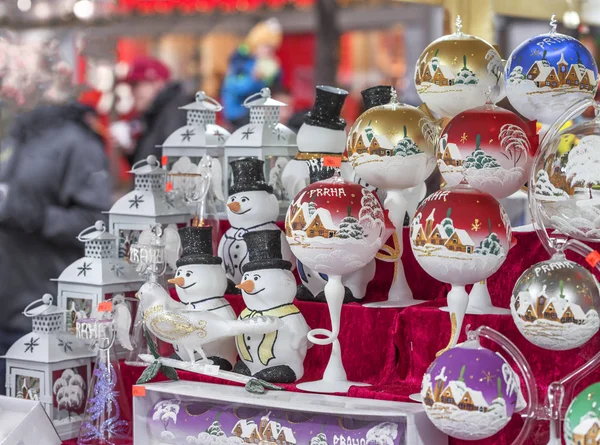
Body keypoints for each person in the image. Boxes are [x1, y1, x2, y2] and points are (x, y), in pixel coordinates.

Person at [0, 99, 111, 394]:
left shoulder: (77, 142)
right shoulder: (16, 132)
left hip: (37, 313)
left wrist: (30, 214)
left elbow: (96, 223)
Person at [114, 57, 193, 165]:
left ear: (157, 83)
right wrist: (130, 150)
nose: (132, 92)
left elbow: (175, 170)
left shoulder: (175, 114)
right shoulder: (155, 114)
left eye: (136, 85)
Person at [221, 18, 283, 129]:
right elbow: (234, 88)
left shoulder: (266, 65)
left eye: (271, 48)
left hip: (257, 115)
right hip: (238, 115)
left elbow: (275, 89)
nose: (269, 51)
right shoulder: (241, 62)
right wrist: (254, 78)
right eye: (266, 46)